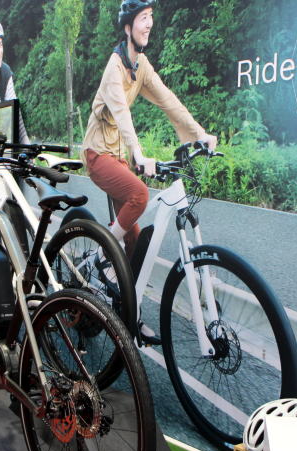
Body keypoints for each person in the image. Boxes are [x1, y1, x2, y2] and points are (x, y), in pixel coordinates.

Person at [83, 0, 216, 343]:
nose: (149, 24)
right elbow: (122, 115)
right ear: (128, 27)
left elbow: (167, 100)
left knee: (136, 240)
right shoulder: (114, 67)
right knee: (140, 195)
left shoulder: (140, 66)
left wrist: (199, 134)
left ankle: (129, 312)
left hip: (118, 159)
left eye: (151, 18)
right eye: (143, 18)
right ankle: (100, 257)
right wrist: (139, 154)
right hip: (98, 154)